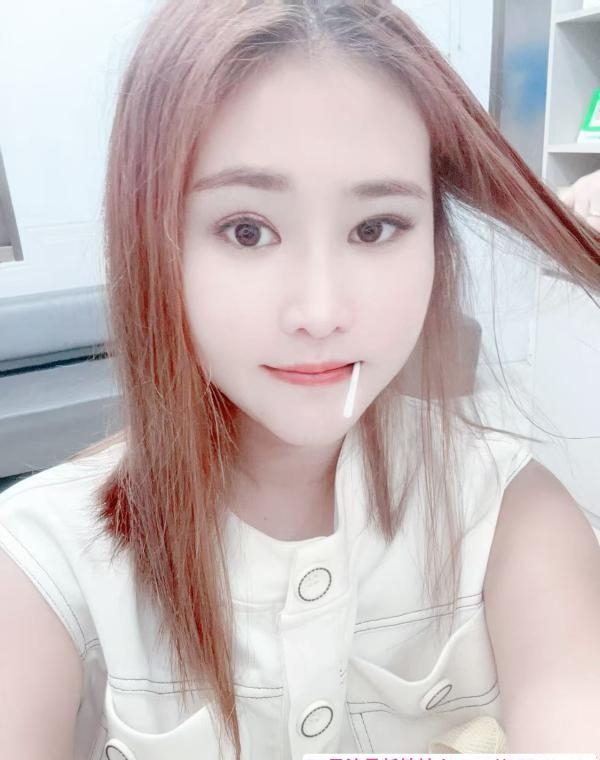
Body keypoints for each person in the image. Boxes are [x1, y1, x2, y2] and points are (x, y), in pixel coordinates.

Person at [1, 1, 600, 758]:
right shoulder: (42, 562)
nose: (320, 312)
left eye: (375, 227)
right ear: (152, 240)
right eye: (247, 230)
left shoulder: (513, 515)